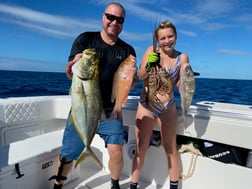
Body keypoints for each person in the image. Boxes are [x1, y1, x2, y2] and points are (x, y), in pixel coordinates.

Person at [49, 2, 137, 189]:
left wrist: (122, 97)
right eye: (110, 17)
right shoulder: (85, 39)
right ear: (103, 17)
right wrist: (74, 63)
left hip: (109, 111)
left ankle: (114, 184)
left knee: (116, 150)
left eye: (119, 19)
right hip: (82, 109)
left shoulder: (127, 51)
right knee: (68, 153)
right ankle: (58, 185)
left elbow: (130, 83)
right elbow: (70, 72)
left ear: (123, 23)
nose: (114, 22)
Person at [130, 20, 190, 189]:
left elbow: (179, 84)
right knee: (141, 147)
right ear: (157, 40)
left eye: (170, 36)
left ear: (176, 37)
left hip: (167, 107)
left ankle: (173, 186)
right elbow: (140, 75)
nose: (167, 41)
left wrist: (187, 80)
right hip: (146, 105)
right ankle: (133, 185)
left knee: (170, 148)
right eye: (162, 38)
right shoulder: (151, 50)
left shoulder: (182, 57)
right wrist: (149, 64)